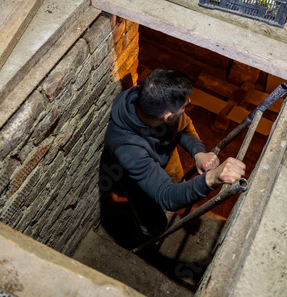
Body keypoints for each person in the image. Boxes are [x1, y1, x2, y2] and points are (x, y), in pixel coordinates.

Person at [103, 69, 245, 238]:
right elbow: (166, 195)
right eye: (185, 105)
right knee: (153, 220)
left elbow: (184, 127)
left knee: (178, 183)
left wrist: (198, 153)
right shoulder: (126, 146)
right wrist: (211, 179)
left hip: (165, 154)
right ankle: (146, 235)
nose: (189, 102)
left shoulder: (151, 102)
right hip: (137, 178)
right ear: (168, 117)